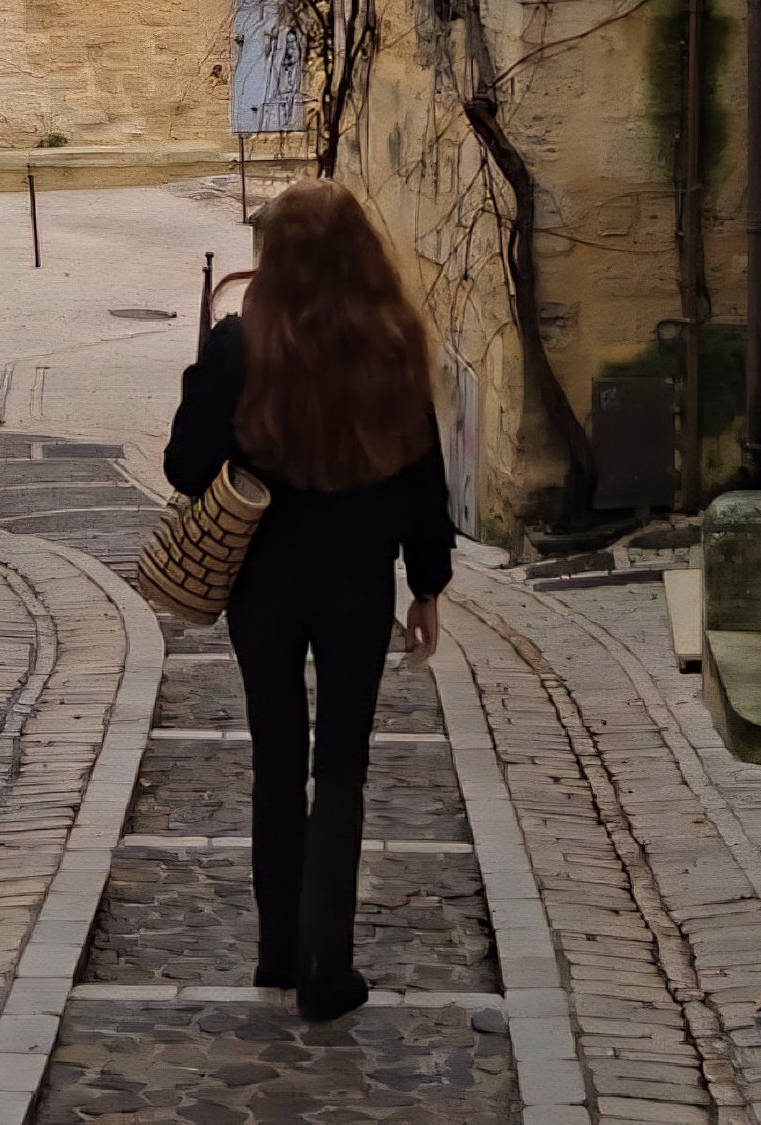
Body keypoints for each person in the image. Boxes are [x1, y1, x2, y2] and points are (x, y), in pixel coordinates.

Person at [163, 178, 454, 1024]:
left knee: (277, 759)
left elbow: (185, 467)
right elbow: (420, 477)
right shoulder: (393, 343)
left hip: (262, 579)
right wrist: (426, 583)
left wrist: (210, 378)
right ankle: (328, 965)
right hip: (358, 579)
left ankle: (277, 950)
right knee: (344, 768)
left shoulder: (238, 343)